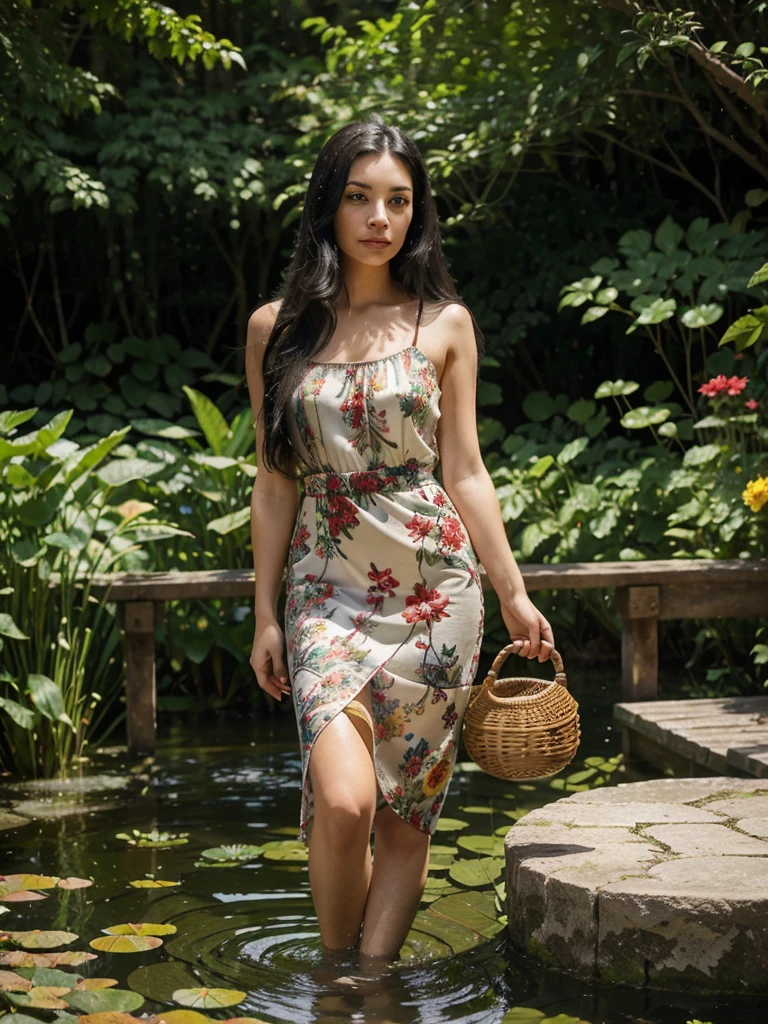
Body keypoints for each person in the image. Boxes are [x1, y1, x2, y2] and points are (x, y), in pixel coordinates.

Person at [245, 117, 555, 965]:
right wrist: (264, 614)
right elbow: (274, 481)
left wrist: (513, 590)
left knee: (404, 818)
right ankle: (333, 975)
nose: (380, 217)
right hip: (324, 589)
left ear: (417, 214)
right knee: (344, 802)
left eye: (399, 200)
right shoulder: (278, 329)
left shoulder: (444, 323)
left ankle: (358, 994)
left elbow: (467, 473)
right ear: (328, 208)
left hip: (435, 597)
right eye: (359, 198)